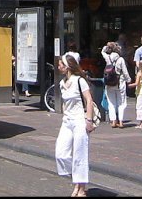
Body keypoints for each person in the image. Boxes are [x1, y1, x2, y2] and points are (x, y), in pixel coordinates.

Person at [54, 52, 95, 198]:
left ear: (68, 66)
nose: (58, 67)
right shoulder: (62, 83)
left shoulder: (79, 81)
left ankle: (81, 187)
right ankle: (77, 178)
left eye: (60, 65)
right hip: (67, 121)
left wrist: (89, 120)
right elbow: (65, 103)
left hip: (79, 120)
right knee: (61, 154)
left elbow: (89, 100)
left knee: (80, 153)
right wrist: (65, 115)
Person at [101, 41, 131, 128]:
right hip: (120, 83)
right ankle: (121, 121)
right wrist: (128, 80)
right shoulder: (121, 59)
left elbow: (102, 51)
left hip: (109, 84)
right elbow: (125, 72)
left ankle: (113, 121)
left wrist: (106, 47)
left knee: (111, 103)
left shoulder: (108, 57)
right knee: (121, 103)